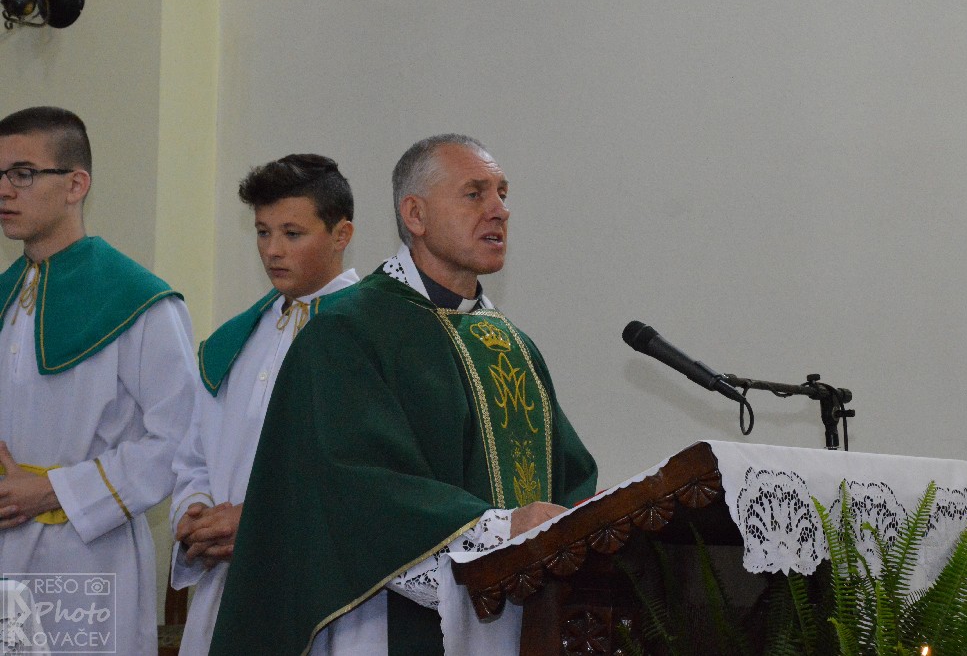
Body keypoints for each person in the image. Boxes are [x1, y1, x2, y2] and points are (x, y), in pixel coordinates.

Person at [211, 134, 597, 655]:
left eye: (502, 194)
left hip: (518, 628)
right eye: (475, 194)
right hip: (379, 625)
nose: (499, 210)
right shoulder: (348, 332)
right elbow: (356, 489)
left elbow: (570, 479)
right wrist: (502, 529)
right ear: (414, 215)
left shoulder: (511, 345)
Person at [0, 106, 197, 654]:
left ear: (75, 185)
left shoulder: (141, 304)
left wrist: (51, 490)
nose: (4, 190)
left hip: (85, 556)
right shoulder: (6, 298)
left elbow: (178, 442)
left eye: (22, 173)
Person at [169, 154, 359, 655]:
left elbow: (367, 474)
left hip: (321, 592)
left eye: (292, 234)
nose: (272, 250)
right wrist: (195, 513)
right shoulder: (237, 338)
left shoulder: (371, 333)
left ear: (341, 235)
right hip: (226, 584)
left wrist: (258, 522)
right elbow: (195, 454)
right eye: (262, 232)